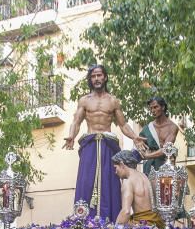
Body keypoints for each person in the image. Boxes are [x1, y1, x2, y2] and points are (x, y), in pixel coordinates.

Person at [62, 65, 145, 221]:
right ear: (90, 79)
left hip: (108, 146)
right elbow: (76, 122)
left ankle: (110, 222)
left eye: (99, 75)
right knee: (86, 181)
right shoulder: (84, 100)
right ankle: (83, 219)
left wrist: (134, 137)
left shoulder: (113, 101)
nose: (96, 79)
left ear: (105, 77)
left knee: (109, 181)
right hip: (90, 144)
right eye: (93, 76)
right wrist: (71, 136)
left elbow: (123, 125)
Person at [112, 150, 162, 229]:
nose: (115, 172)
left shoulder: (128, 182)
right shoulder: (145, 177)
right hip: (156, 224)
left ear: (122, 164)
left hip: (142, 226)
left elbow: (126, 212)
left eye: (116, 167)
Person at [138, 96, 183, 175]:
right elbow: (139, 142)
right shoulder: (147, 128)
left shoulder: (172, 127)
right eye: (151, 108)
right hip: (149, 167)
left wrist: (147, 156)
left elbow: (165, 149)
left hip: (165, 166)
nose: (153, 111)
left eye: (155, 107)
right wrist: (139, 144)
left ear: (163, 107)